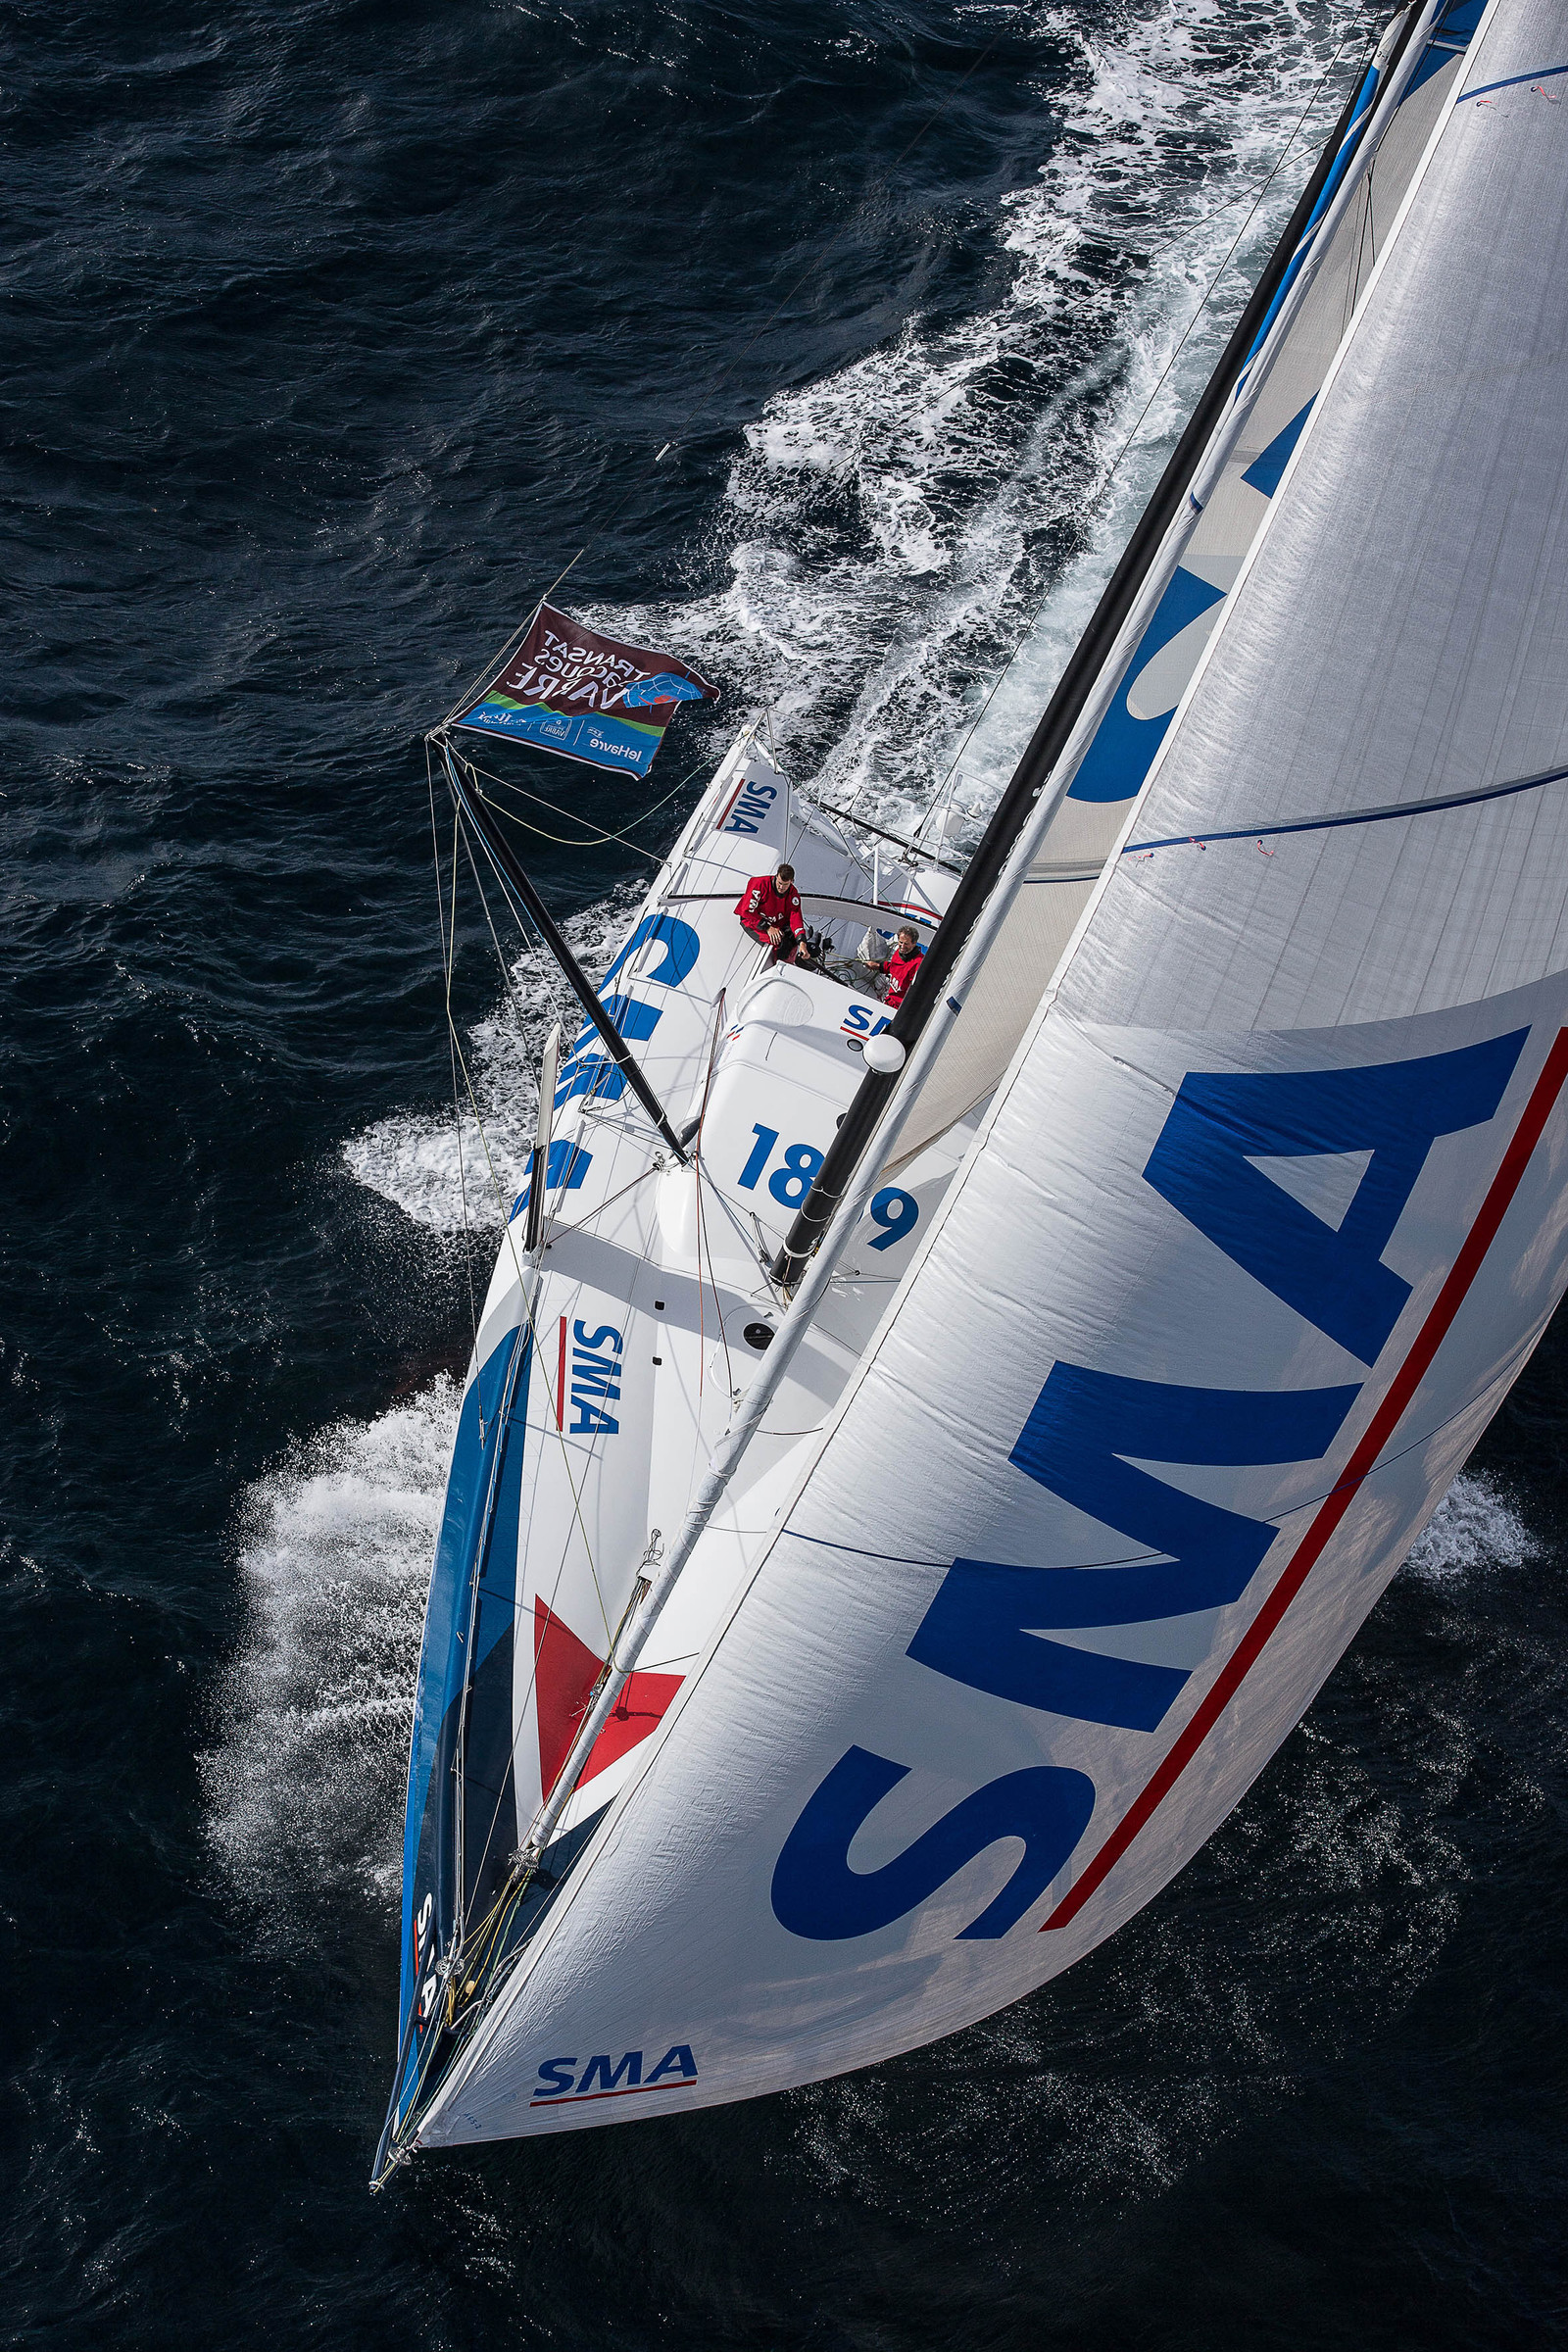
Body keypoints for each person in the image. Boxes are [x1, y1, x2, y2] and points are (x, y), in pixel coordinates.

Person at [736, 862, 811, 965]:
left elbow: (796, 918)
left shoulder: (793, 894)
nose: (781, 887)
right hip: (753, 921)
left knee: (793, 937)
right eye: (779, 882)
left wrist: (802, 942)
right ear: (776, 876)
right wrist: (767, 927)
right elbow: (748, 911)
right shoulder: (759, 884)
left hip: (776, 920)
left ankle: (793, 959)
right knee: (780, 942)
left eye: (785, 884)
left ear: (791, 882)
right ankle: (781, 965)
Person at [873, 924, 925, 1010]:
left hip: (901, 1009)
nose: (902, 946)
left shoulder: (919, 964)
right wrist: (878, 966)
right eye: (900, 942)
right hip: (889, 1002)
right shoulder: (898, 953)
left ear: (914, 943)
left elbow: (919, 990)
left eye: (906, 944)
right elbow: (894, 968)